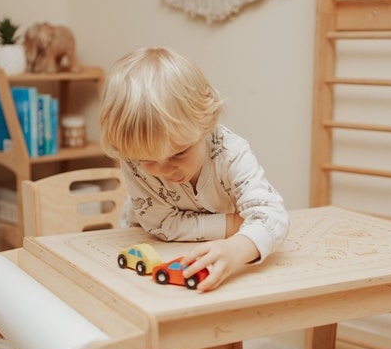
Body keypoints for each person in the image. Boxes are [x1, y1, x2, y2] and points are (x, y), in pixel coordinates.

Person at [98, 47, 289, 291]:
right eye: (147, 160)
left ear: (207, 122)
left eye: (179, 153)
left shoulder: (231, 153)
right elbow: (160, 225)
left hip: (213, 256)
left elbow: (273, 215)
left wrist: (236, 249)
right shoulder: (133, 160)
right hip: (147, 259)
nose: (165, 170)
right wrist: (232, 224)